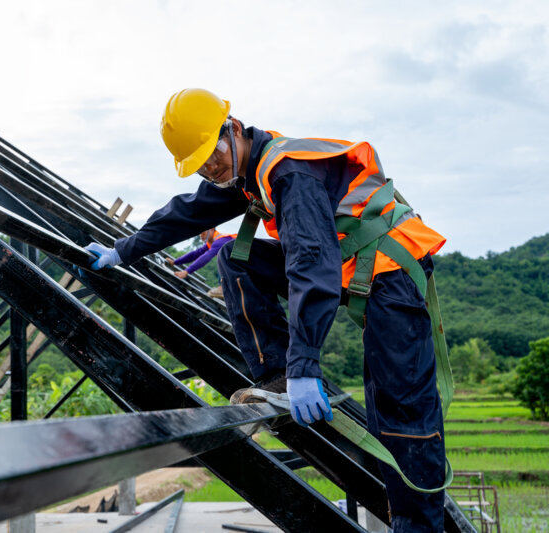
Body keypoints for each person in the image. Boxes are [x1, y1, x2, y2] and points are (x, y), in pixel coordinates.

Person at [84, 88, 447, 532]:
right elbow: (186, 213)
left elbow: (311, 268)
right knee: (235, 258)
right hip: (353, 267)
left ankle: (419, 527)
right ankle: (273, 375)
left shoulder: (288, 173)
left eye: (211, 156)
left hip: (392, 275)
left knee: (400, 411)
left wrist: (305, 366)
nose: (209, 169)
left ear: (233, 129)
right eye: (198, 164)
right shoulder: (244, 171)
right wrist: (122, 251)